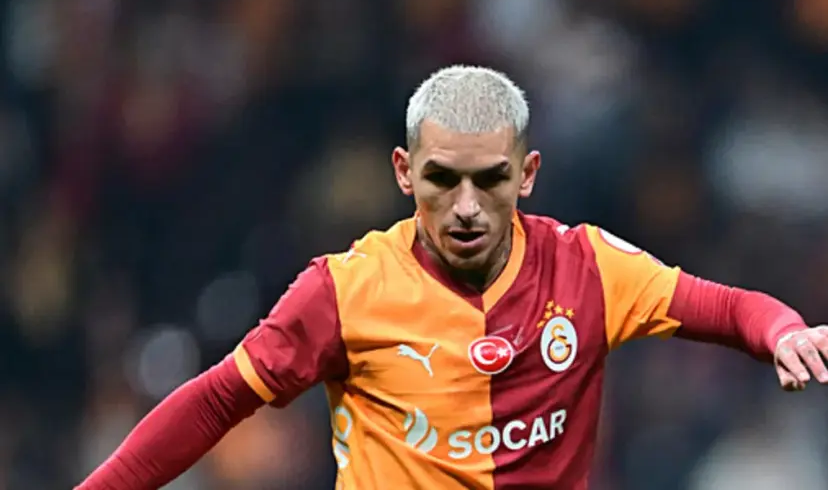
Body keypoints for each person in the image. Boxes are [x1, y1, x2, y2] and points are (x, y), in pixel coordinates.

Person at [77, 66, 827, 490]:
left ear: (526, 174)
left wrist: (783, 331)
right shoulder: (345, 289)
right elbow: (217, 400)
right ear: (405, 172)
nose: (466, 207)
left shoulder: (589, 267)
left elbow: (726, 307)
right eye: (442, 179)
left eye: (490, 179)